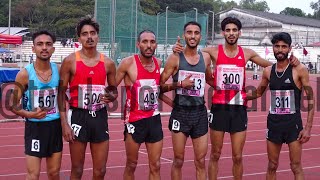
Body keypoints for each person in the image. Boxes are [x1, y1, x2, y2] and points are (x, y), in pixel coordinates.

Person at [173, 17, 300, 179]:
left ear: (240, 33)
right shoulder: (212, 52)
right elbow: (190, 55)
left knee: (237, 156)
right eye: (228, 30)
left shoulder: (247, 53)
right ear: (223, 33)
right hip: (219, 108)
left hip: (239, 109)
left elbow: (271, 65)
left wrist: (290, 60)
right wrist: (177, 50)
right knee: (215, 154)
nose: (231, 33)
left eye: (234, 30)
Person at [247, 32, 314, 180]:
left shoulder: (299, 69)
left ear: (289, 49)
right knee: (272, 165)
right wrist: (235, 97)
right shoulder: (267, 71)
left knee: (295, 166)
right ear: (273, 48)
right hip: (274, 124)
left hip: (293, 125)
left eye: (284, 46)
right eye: (277, 46)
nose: (280, 50)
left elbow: (310, 99)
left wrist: (308, 128)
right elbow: (257, 93)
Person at [58, 16, 118, 180]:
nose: (89, 37)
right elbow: (61, 94)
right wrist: (64, 123)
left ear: (98, 36)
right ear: (79, 38)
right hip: (78, 116)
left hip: (99, 116)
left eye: (92, 33)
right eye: (85, 34)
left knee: (100, 171)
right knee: (77, 170)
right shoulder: (70, 61)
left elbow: (114, 91)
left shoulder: (108, 63)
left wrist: (110, 96)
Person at [160, 21, 212, 180]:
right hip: (180, 113)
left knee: (201, 161)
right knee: (178, 160)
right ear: (184, 35)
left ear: (200, 36)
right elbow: (159, 87)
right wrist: (179, 85)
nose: (193, 36)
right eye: (189, 32)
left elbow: (211, 79)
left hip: (200, 114)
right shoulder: (174, 58)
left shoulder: (206, 58)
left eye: (196, 33)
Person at [10, 30, 62, 180]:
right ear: (33, 48)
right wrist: (30, 114)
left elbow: (61, 96)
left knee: (54, 173)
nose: (44, 47)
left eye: (48, 44)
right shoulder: (25, 74)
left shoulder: (58, 70)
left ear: (53, 48)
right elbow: (13, 105)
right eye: (40, 44)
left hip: (55, 127)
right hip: (35, 128)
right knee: (33, 175)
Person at [116, 30, 163, 180]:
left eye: (152, 42)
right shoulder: (128, 63)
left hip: (154, 119)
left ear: (156, 44)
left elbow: (158, 89)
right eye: (145, 42)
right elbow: (111, 87)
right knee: (131, 164)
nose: (149, 45)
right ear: (138, 44)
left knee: (155, 165)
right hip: (134, 120)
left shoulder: (158, 63)